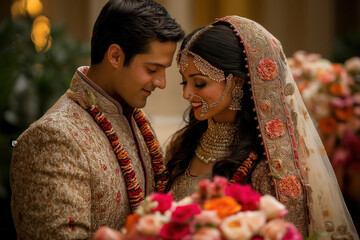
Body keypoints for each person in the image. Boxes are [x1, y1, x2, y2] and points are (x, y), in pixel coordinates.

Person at [165, 16, 358, 239]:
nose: (186, 94)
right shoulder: (182, 146)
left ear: (236, 82)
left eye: (199, 83)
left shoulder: (271, 166)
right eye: (184, 82)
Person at [9, 0, 184, 239]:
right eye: (152, 70)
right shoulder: (53, 137)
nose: (161, 83)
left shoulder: (134, 118)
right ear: (115, 56)